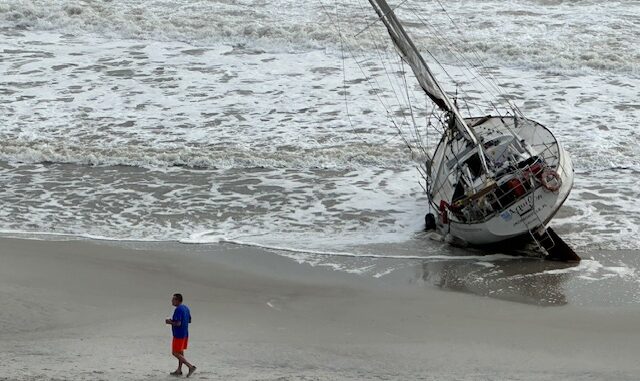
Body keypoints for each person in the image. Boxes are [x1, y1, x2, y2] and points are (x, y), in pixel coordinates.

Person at [165, 293, 196, 377]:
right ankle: (179, 370)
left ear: (177, 300)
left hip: (179, 334)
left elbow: (178, 323)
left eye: (173, 299)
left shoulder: (178, 309)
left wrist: (169, 322)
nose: (172, 301)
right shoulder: (186, 308)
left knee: (175, 352)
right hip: (185, 333)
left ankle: (190, 366)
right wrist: (174, 321)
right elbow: (189, 320)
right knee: (180, 352)